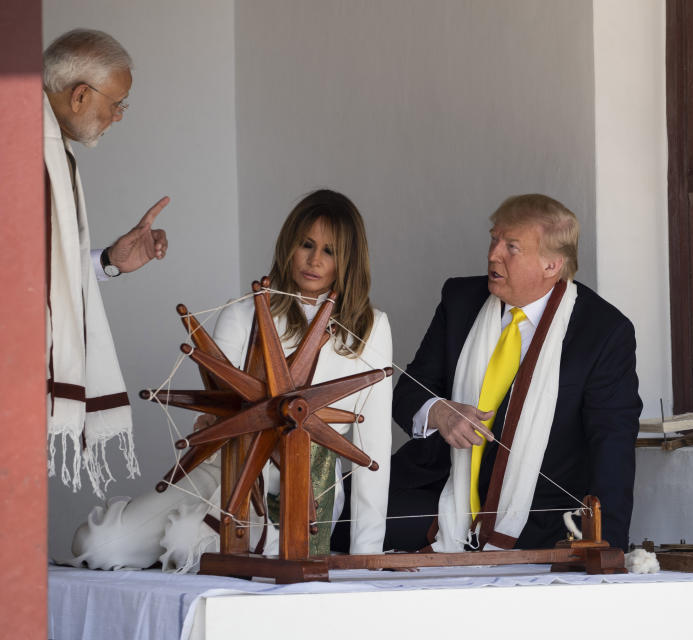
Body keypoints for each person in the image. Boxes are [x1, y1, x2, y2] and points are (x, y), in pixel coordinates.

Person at [70, 189, 392, 571]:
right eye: (306, 244)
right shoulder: (241, 315)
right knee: (98, 545)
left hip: (306, 484)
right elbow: (216, 409)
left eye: (329, 251)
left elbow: (374, 448)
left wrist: (366, 555)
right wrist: (208, 423)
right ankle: (219, 536)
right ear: (289, 244)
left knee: (185, 539)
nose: (314, 260)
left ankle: (252, 540)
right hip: (226, 465)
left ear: (349, 259)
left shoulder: (371, 328)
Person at [389, 194, 642, 553]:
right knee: (337, 520)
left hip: (538, 515)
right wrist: (440, 412)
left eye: (512, 247)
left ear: (552, 266)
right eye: (494, 239)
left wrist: (608, 548)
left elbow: (612, 450)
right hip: (439, 495)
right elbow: (407, 393)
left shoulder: (602, 332)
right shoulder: (460, 299)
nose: (494, 254)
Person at [43, 28, 169, 497]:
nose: (118, 116)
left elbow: (46, 272)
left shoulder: (54, 154)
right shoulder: (18, 149)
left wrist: (109, 262)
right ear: (80, 95)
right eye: (117, 103)